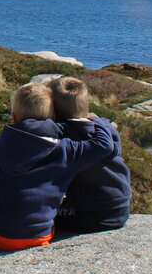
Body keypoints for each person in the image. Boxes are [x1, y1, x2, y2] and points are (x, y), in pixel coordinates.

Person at [0, 82, 114, 251]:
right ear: (52, 118)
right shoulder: (66, 148)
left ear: (14, 117)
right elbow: (104, 145)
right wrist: (99, 121)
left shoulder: (1, 144)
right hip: (41, 235)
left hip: (0, 231)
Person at [48, 76, 131, 232]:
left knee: (39, 217)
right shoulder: (104, 127)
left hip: (92, 215)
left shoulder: (64, 135)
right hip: (121, 207)